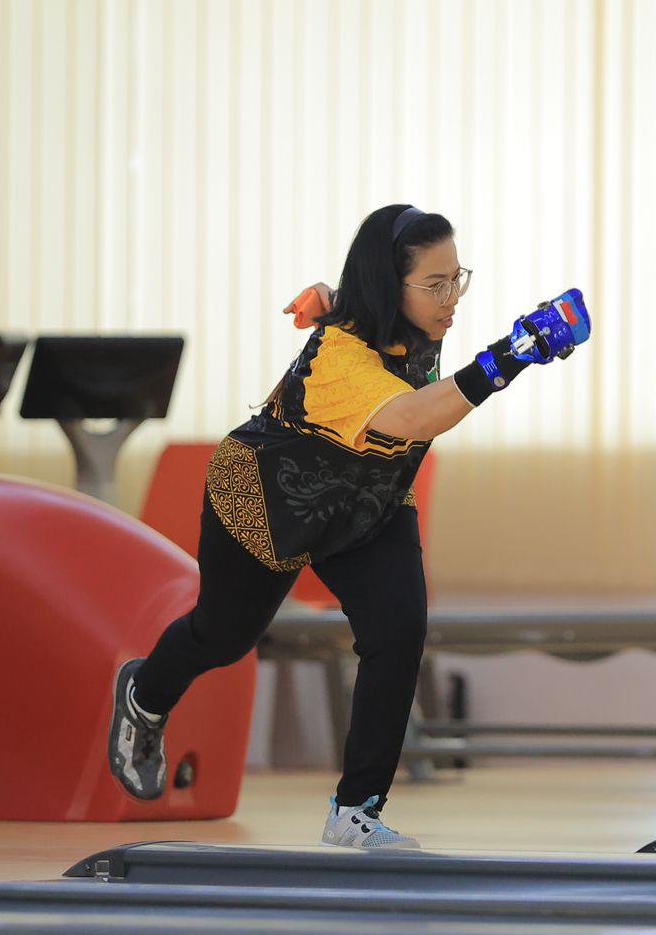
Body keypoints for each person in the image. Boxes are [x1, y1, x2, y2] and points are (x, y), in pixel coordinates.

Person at [107, 203, 590, 850]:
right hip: (267, 499)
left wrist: (329, 296)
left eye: (458, 278)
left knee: (399, 632)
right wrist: (515, 352)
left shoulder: (407, 315)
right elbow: (416, 416)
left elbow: (361, 309)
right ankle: (144, 695)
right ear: (391, 287)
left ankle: (355, 810)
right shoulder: (340, 357)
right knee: (222, 637)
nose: (452, 299)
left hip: (369, 504)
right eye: (436, 284)